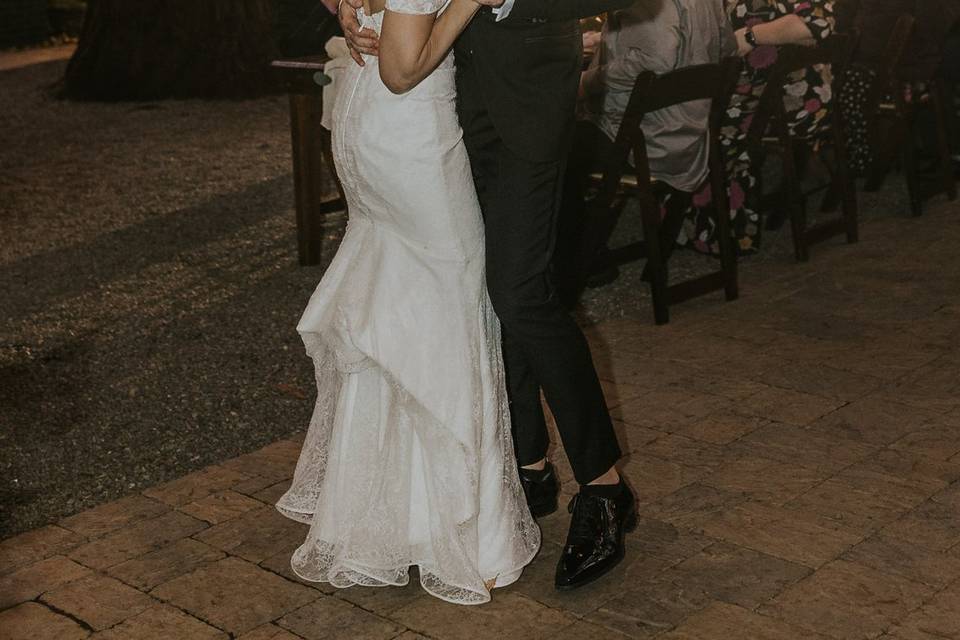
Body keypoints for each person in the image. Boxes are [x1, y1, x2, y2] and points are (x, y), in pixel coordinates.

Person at [337, 0, 636, 593]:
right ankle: (528, 464)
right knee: (480, 289)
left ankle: (604, 488)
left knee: (521, 294)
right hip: (447, 105)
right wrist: (355, 15)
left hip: (528, 100)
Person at [275, 0, 541, 605]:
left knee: (396, 308)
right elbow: (401, 69)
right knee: (452, 305)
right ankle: (469, 536)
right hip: (410, 135)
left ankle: (381, 522)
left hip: (368, 126)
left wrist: (346, 10)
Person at [556, 0, 736, 297]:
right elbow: (727, 48)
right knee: (566, 140)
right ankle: (587, 248)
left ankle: (581, 262)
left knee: (552, 151)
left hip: (645, 140)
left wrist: (587, 81)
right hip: (690, 134)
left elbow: (655, 61)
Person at [679, 0, 836, 255]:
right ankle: (712, 225)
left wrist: (751, 36)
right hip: (753, 93)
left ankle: (713, 229)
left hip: (789, 100)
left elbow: (815, 24)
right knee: (686, 112)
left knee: (693, 126)